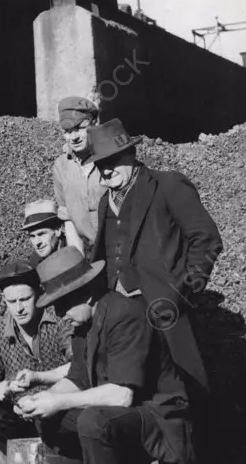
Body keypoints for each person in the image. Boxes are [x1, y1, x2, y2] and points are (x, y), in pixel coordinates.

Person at [16, 247, 194, 464]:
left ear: (85, 294)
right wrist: (40, 401)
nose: (58, 313)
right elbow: (77, 379)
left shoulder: (126, 315)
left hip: (159, 416)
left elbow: (122, 395)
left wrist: (59, 400)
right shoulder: (86, 325)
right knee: (52, 417)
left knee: (93, 421)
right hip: (128, 413)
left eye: (61, 302)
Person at [87, 118, 223, 403]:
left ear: (131, 154)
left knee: (181, 391)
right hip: (123, 315)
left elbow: (207, 238)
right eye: (100, 163)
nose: (107, 169)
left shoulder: (167, 184)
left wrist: (183, 291)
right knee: (129, 391)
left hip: (164, 309)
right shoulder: (104, 202)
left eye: (112, 160)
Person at [0, 260, 70, 453]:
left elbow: (78, 367)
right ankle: (24, 458)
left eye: (25, 299)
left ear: (39, 294)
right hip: (20, 415)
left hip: (58, 407)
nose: (19, 309)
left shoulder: (59, 321)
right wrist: (0, 390)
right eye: (11, 302)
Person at [52, 96, 105, 255]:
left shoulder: (111, 158)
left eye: (79, 128)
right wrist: (80, 264)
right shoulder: (61, 167)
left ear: (94, 123)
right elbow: (68, 218)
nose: (73, 137)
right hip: (90, 254)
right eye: (67, 132)